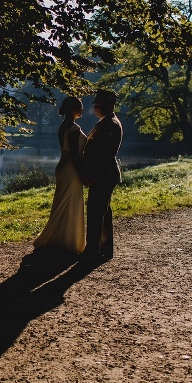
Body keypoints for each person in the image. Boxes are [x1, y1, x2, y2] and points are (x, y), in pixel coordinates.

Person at [33, 96, 88, 254]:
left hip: (63, 166)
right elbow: (75, 154)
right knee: (70, 204)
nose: (82, 110)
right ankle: (67, 242)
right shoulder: (73, 128)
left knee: (63, 203)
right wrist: (82, 173)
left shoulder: (63, 126)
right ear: (73, 109)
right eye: (80, 107)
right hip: (71, 168)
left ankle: (60, 239)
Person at [79, 89, 123, 262]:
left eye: (99, 104)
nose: (95, 107)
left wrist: (92, 175)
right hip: (103, 174)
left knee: (97, 212)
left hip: (103, 175)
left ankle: (93, 251)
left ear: (109, 105)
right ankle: (103, 248)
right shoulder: (105, 122)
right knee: (102, 211)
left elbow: (103, 154)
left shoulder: (110, 124)